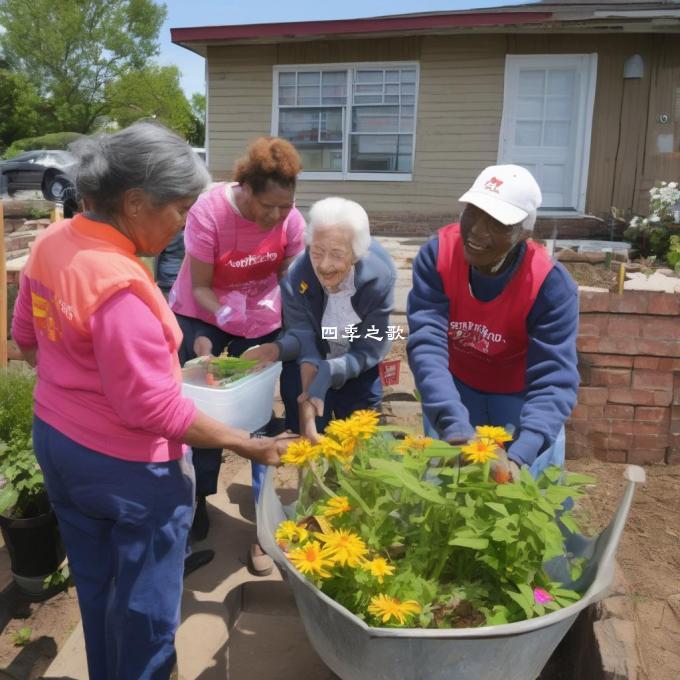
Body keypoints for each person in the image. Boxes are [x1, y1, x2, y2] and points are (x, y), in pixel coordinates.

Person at [10, 122, 290, 680]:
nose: (184, 222)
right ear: (135, 202)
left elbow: (25, 336)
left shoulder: (53, 244)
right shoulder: (119, 286)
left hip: (59, 444)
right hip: (129, 472)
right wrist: (246, 443)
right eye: (180, 208)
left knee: (97, 585)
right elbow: (154, 411)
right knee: (145, 613)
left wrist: (75, 386)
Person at [168, 136, 305, 573]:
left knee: (259, 416)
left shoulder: (291, 221)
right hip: (203, 311)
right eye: (270, 207)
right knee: (204, 411)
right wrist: (226, 311)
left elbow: (292, 278)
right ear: (245, 188)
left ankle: (264, 526)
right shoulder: (209, 213)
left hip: (260, 317)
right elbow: (202, 285)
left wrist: (279, 314)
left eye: (286, 206)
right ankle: (197, 501)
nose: (278, 216)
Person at [407, 165, 579, 481]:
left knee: (530, 493)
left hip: (519, 393)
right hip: (455, 386)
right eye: (473, 212)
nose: (477, 231)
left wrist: (521, 454)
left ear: (524, 233)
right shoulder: (439, 256)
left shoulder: (548, 284)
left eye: (498, 223)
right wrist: (453, 423)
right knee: (446, 485)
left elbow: (554, 376)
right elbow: (427, 342)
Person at [243, 197, 397, 442]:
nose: (324, 265)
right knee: (308, 441)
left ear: (356, 254)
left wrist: (332, 369)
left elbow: (371, 344)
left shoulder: (378, 276)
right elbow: (304, 335)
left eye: (337, 254)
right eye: (317, 252)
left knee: (362, 441)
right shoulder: (297, 274)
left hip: (358, 362)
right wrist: (277, 351)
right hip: (308, 364)